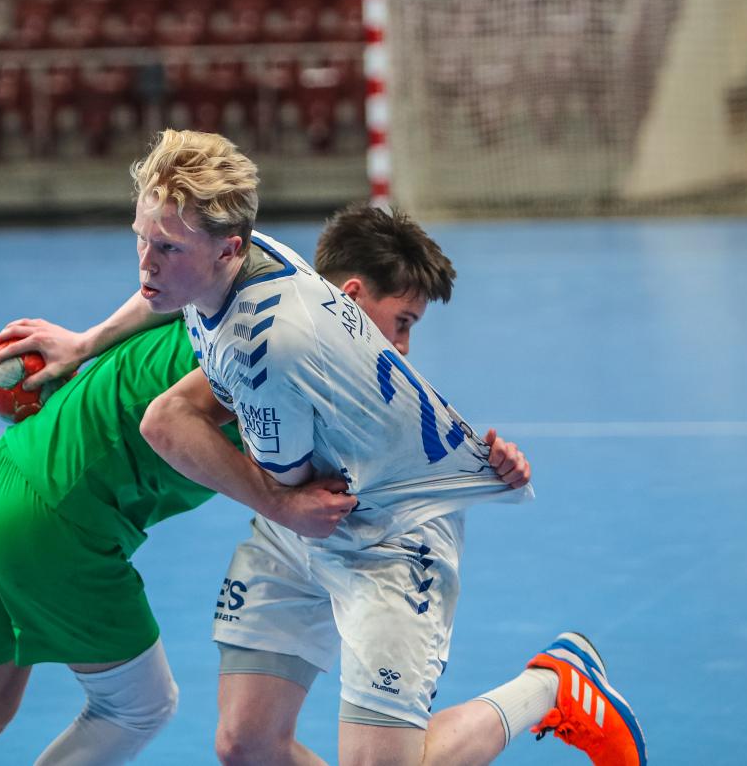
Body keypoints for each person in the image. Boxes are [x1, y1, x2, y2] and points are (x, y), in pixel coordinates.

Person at [0, 203, 532, 766]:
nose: (404, 346)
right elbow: (170, 421)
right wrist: (282, 503)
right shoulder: (277, 355)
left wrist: (88, 340)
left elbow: (169, 275)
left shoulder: (231, 283)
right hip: (57, 523)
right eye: (404, 322)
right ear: (352, 298)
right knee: (138, 707)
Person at [122, 129, 645, 766]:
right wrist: (87, 342)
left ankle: (553, 686)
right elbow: (179, 405)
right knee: (245, 744)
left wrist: (273, 495)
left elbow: (268, 477)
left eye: (168, 248)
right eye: (142, 237)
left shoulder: (269, 349)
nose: (146, 264)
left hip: (390, 536)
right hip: (311, 516)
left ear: (228, 250)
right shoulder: (240, 261)